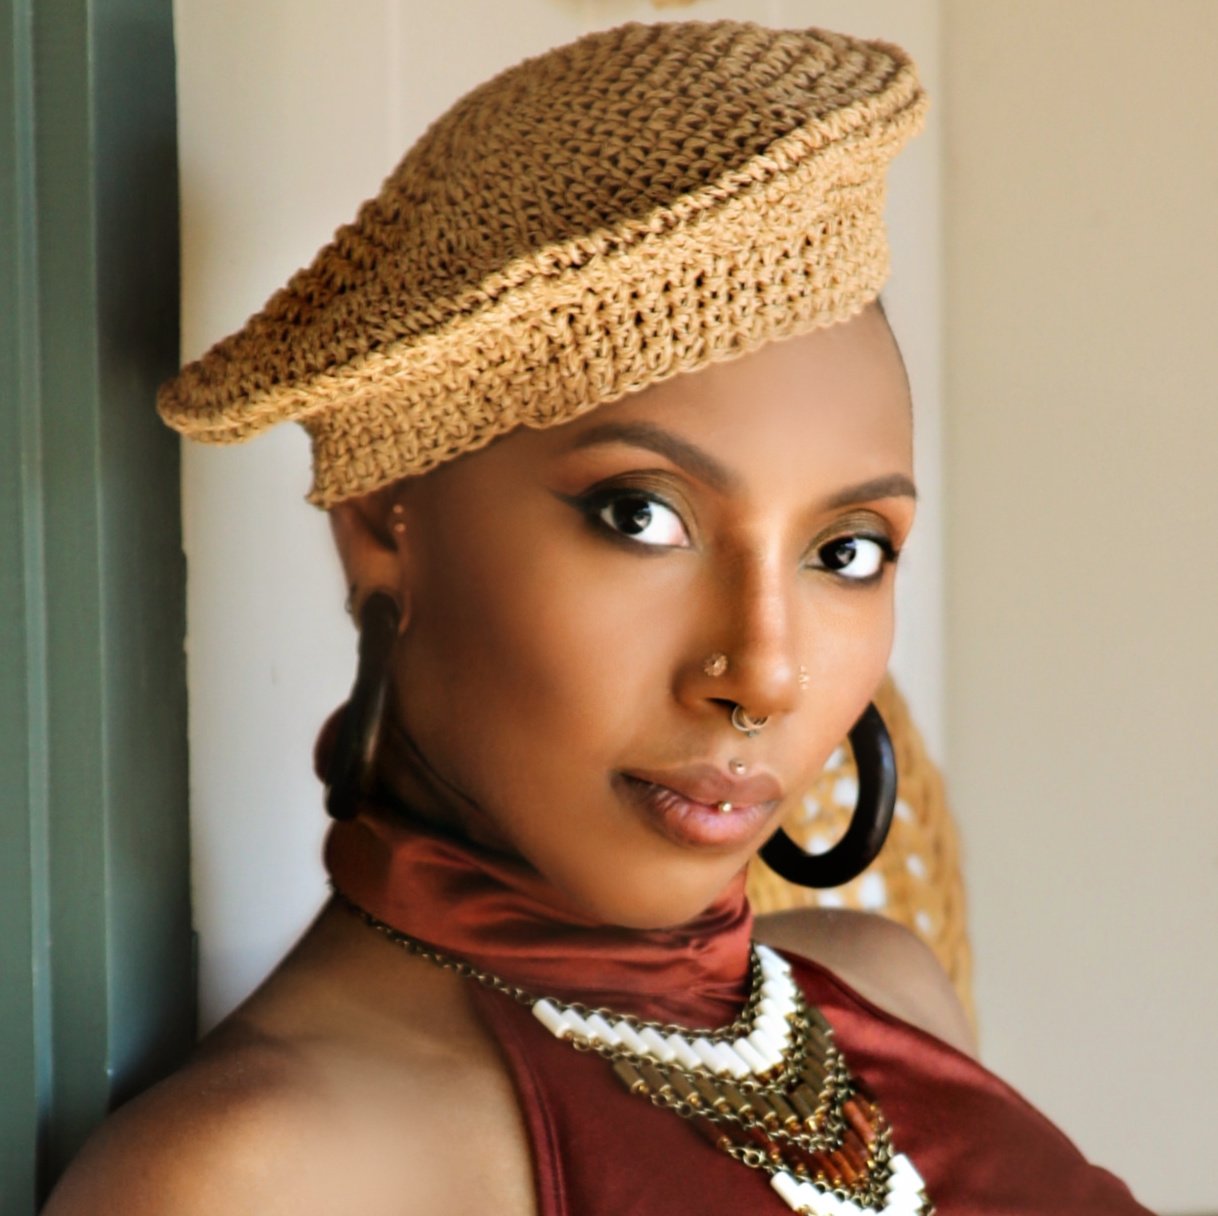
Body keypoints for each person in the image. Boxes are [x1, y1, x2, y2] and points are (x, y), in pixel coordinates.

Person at [46, 20, 1152, 1215]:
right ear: (379, 519)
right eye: (642, 516)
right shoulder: (256, 1179)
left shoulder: (890, 990)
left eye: (846, 551)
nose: (763, 673)